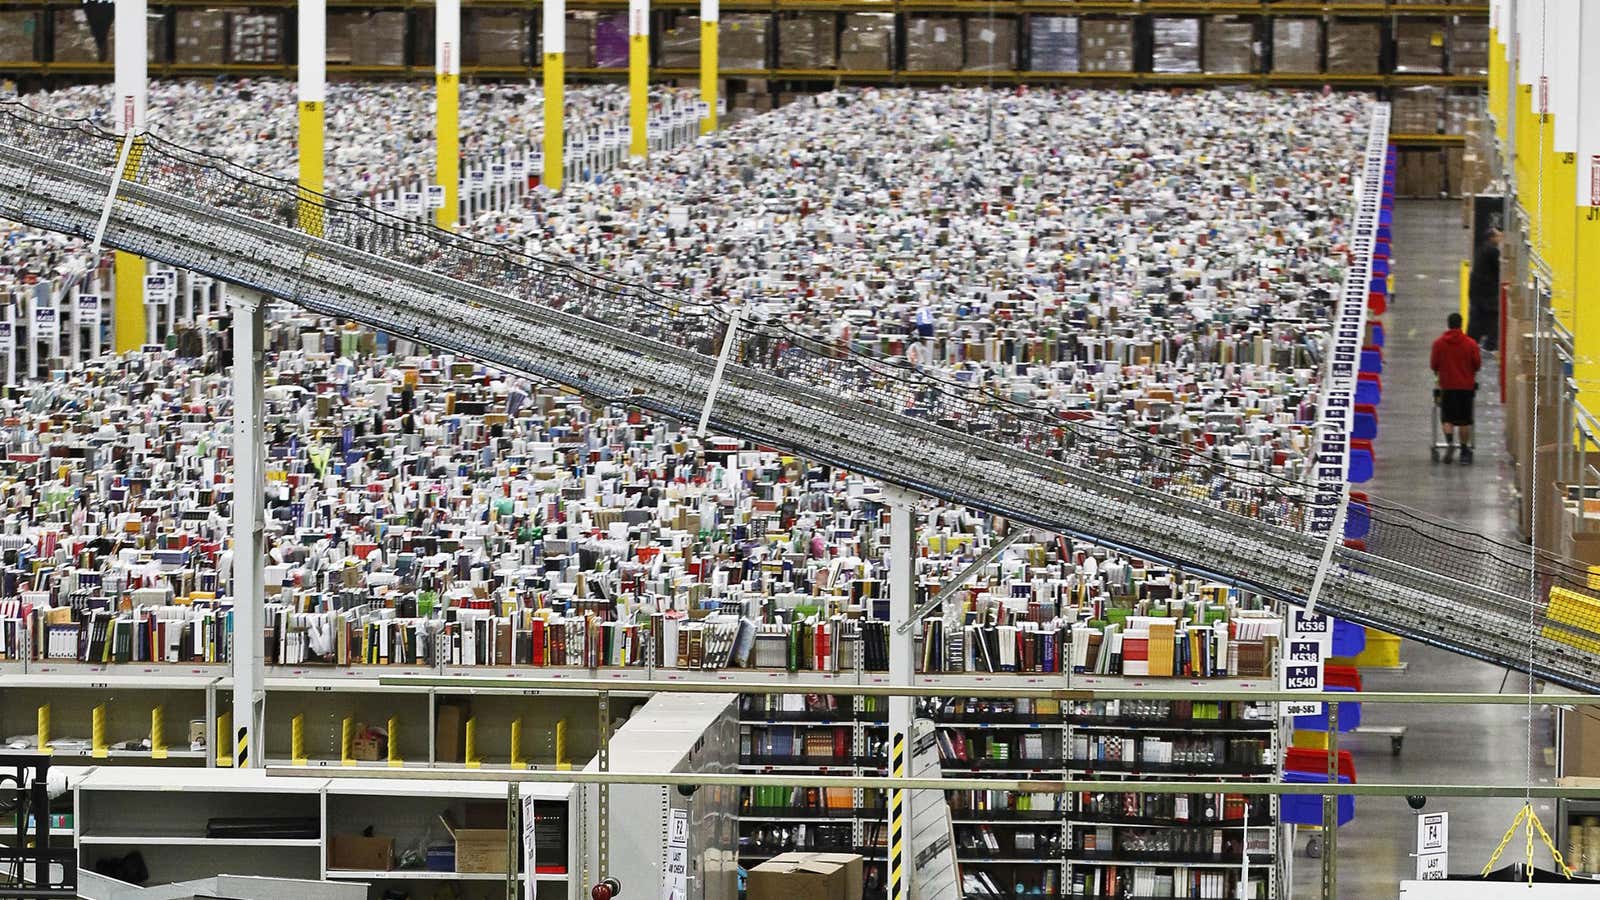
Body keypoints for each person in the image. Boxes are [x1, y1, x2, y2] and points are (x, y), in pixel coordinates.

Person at [1431, 312, 1483, 464]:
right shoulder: (1471, 344)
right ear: (1461, 325)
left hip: (1447, 387)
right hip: (1466, 387)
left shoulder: (1439, 344)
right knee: (1464, 421)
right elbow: (1477, 364)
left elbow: (1434, 365)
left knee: (1447, 418)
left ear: (1448, 325)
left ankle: (1449, 443)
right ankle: (1464, 451)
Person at [1467, 227, 1502, 350]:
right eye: (1498, 236)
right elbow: (1500, 270)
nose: (1500, 238)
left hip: (1477, 291)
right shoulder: (1492, 251)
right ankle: (1491, 344)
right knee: (1493, 317)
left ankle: (1471, 341)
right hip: (1487, 293)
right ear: (1491, 238)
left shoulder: (1482, 249)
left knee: (1477, 317)